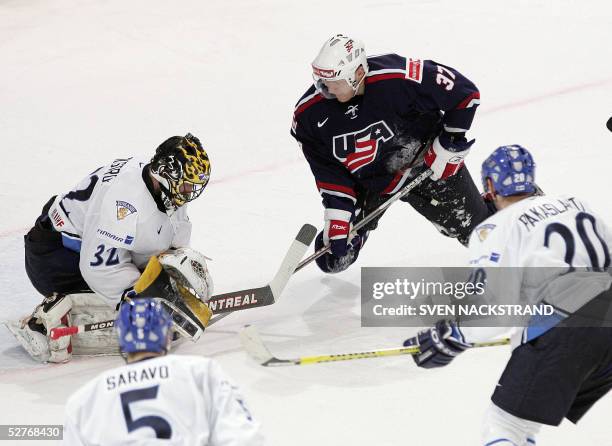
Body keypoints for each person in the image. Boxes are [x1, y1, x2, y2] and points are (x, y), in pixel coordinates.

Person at [403, 145, 612, 445]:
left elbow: (496, 309)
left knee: (503, 427)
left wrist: (452, 336)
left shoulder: (494, 228)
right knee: (521, 423)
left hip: (568, 330)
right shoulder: (575, 203)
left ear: (489, 185)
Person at [290, 34, 494, 273]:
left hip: (426, 162)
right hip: (371, 181)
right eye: (322, 81)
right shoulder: (308, 116)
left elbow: (465, 93)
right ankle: (357, 234)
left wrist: (449, 144)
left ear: (357, 75)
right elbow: (328, 170)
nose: (326, 89)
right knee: (332, 259)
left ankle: (514, 202)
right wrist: (338, 213)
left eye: (335, 82)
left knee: (481, 234)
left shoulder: (398, 77)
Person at [8, 133, 214, 363]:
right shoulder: (125, 202)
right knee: (142, 311)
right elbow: (97, 268)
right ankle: (44, 322)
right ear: (166, 174)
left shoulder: (162, 186)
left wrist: (173, 268)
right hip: (54, 258)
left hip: (82, 245)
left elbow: (166, 236)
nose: (189, 192)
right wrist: (141, 297)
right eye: (186, 185)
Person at [63, 298, 265, 445]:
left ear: (121, 339)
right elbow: (244, 437)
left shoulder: (84, 400)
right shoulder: (201, 372)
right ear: (167, 337)